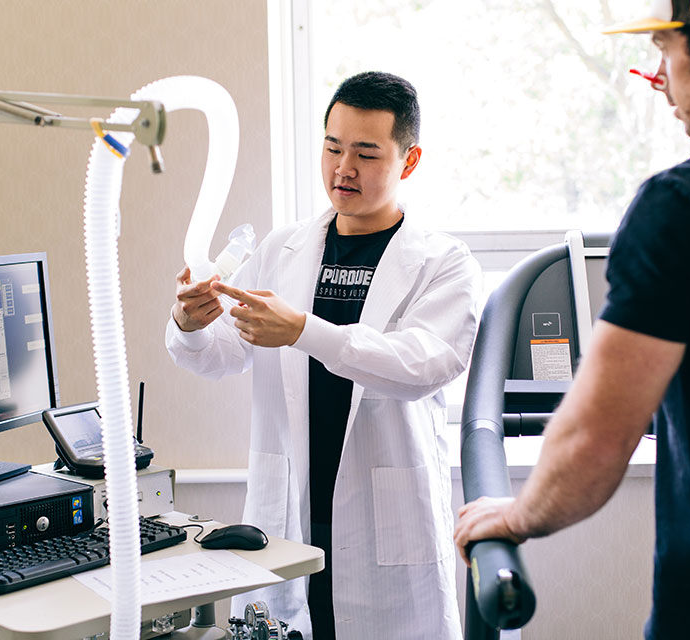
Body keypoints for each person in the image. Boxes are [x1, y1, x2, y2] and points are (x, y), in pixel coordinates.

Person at [454, 1, 690, 637]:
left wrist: (519, 516)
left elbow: (598, 435)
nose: (660, 76)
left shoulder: (685, 205)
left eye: (667, 51)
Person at [167, 71, 481, 639]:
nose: (343, 168)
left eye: (366, 153)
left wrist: (305, 331)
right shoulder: (282, 249)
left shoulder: (443, 262)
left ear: (408, 162)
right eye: (333, 147)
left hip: (382, 516)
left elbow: (423, 366)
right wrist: (189, 323)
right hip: (290, 506)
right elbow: (220, 357)